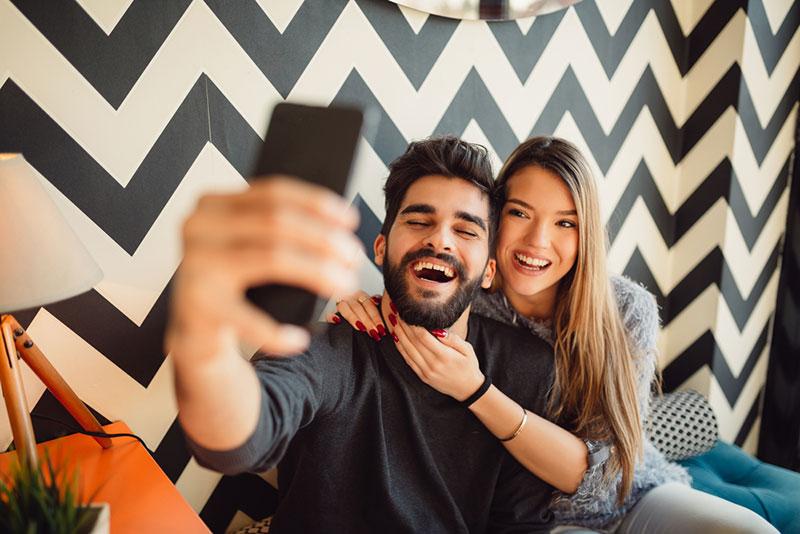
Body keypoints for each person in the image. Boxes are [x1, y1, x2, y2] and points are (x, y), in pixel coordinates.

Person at [334, 136, 778, 533]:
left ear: (586, 234)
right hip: (530, 519)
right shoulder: (468, 296)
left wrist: (477, 391)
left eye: (565, 223)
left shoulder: (625, 310)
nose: (537, 241)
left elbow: (602, 477)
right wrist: (368, 303)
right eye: (519, 213)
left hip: (630, 497)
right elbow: (412, 293)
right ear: (492, 217)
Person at [167, 137, 559, 533]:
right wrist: (203, 339)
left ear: (489, 271)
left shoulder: (526, 368)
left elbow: (522, 525)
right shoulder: (325, 349)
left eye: (466, 230)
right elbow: (239, 442)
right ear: (381, 247)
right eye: (419, 221)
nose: (440, 240)